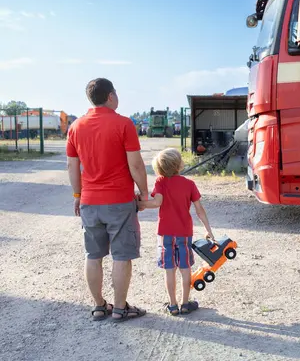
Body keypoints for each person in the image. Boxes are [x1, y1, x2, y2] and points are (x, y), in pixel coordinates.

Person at [66, 78, 149, 322]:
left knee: (93, 255)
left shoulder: (76, 127)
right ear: (111, 96)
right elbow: (135, 164)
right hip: (119, 202)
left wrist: (77, 195)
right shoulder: (124, 124)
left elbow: (72, 166)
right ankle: (121, 308)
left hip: (89, 202)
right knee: (121, 256)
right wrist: (144, 194)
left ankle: (100, 306)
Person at [137, 148, 214, 316]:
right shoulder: (189, 184)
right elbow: (200, 210)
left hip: (165, 233)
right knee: (185, 268)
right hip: (184, 232)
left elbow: (156, 203)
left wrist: (139, 204)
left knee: (169, 269)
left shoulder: (160, 182)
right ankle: (185, 303)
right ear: (179, 165)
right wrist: (209, 231)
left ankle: (172, 305)